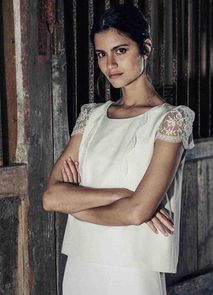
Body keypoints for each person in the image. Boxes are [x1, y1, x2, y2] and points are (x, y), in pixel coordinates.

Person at [42, 4, 195, 295]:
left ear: (145, 47)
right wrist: (120, 195)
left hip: (133, 267)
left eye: (120, 50)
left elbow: (138, 211)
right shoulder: (92, 117)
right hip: (82, 263)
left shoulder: (172, 119)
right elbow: (51, 198)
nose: (110, 64)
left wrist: (78, 208)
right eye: (102, 54)